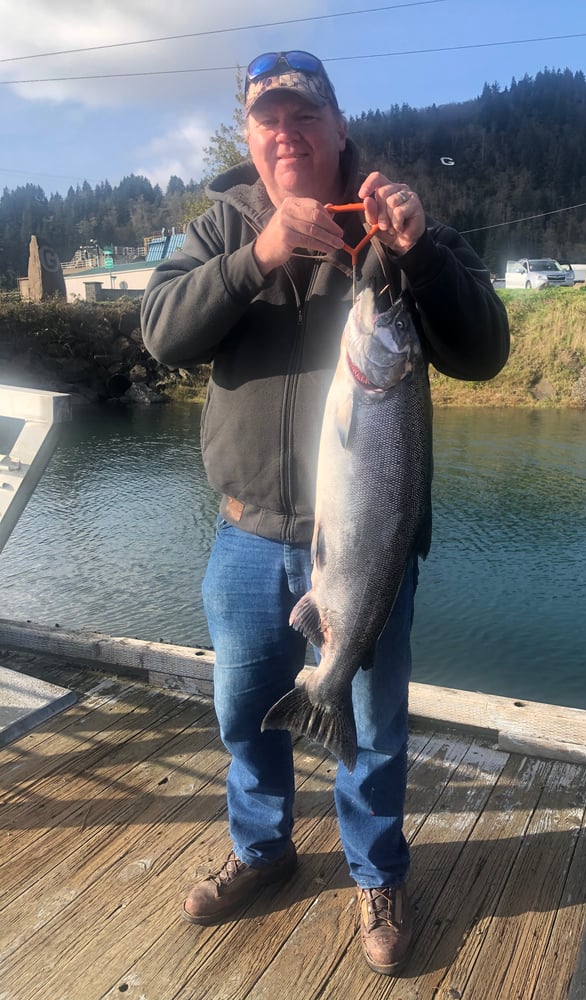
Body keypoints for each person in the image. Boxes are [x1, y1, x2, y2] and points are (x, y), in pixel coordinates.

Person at [141, 49, 509, 977]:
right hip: (246, 533)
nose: (284, 133)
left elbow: (484, 349)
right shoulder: (224, 222)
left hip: (371, 542)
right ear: (251, 139)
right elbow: (159, 331)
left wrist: (418, 253)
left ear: (338, 127)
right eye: (268, 120)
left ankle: (378, 874)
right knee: (241, 713)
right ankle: (263, 850)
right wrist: (259, 254)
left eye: (303, 116)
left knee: (376, 727)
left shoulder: (397, 218)